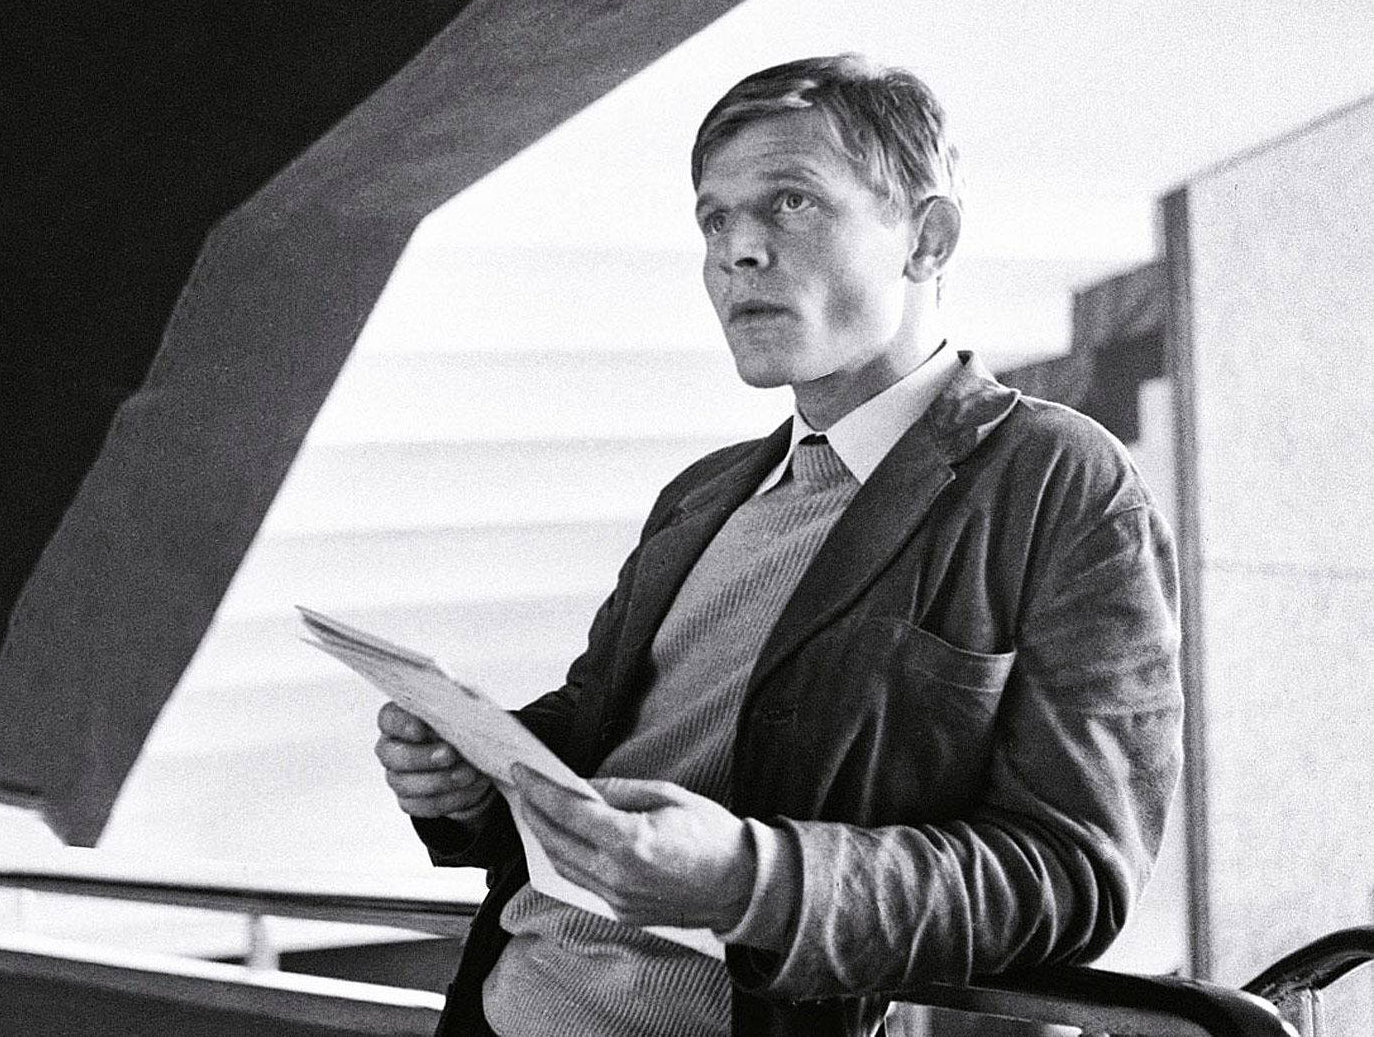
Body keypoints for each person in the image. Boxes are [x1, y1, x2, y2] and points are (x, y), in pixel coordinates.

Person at [374, 54, 1182, 1037]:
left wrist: (749, 880)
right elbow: (602, 735)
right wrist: (476, 777)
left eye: (791, 202)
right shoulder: (702, 495)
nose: (737, 252)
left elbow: (1071, 875)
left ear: (928, 238)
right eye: (714, 220)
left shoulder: (1058, 481)